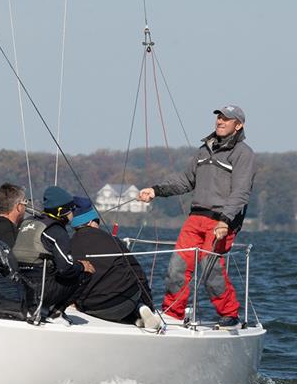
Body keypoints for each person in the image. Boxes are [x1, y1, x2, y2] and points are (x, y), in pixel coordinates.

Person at [138, 105, 256, 328]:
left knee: (210, 269)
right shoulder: (204, 150)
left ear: (238, 125)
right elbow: (186, 180)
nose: (220, 122)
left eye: (226, 119)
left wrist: (225, 220)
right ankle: (173, 313)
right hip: (195, 218)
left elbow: (241, 191)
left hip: (221, 221)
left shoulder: (244, 153)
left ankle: (230, 315)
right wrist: (155, 190)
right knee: (176, 267)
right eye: (219, 118)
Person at [69, 197, 160, 329]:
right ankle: (139, 310)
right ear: (90, 222)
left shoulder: (68, 245)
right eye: (97, 221)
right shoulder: (112, 240)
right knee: (128, 296)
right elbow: (137, 271)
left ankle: (135, 316)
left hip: (97, 306)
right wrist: (149, 304)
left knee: (98, 305)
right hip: (128, 298)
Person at [13, 186, 95, 320]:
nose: (73, 213)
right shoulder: (57, 231)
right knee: (85, 271)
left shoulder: (27, 223)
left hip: (18, 286)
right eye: (72, 209)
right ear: (62, 211)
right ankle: (56, 313)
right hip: (40, 290)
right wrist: (81, 266)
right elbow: (66, 269)